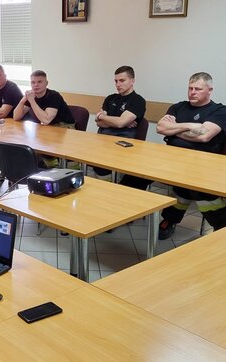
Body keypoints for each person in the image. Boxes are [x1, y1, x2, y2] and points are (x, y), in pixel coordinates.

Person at [154, 72, 226, 239]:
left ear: (210, 90)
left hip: (203, 165)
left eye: (198, 89)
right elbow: (160, 128)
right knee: (140, 174)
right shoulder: (178, 107)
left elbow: (204, 136)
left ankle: (221, 226)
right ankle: (125, 213)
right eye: (190, 88)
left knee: (194, 190)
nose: (192, 92)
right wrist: (191, 126)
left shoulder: (219, 110)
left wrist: (174, 130)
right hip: (172, 161)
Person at [95, 66, 147, 180]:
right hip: (103, 141)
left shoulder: (138, 101)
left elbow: (119, 123)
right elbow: (99, 123)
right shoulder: (110, 98)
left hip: (122, 143)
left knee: (104, 166)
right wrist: (119, 121)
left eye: (122, 80)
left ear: (132, 81)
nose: (118, 84)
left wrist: (103, 116)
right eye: (116, 81)